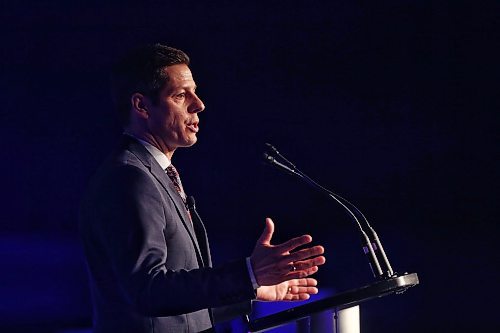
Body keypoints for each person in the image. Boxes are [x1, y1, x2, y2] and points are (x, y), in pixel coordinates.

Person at [79, 43, 326, 333]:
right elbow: (148, 290)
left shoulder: (155, 174)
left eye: (195, 92)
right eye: (180, 95)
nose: (199, 104)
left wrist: (254, 287)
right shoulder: (129, 178)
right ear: (141, 106)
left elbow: (177, 305)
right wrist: (246, 274)